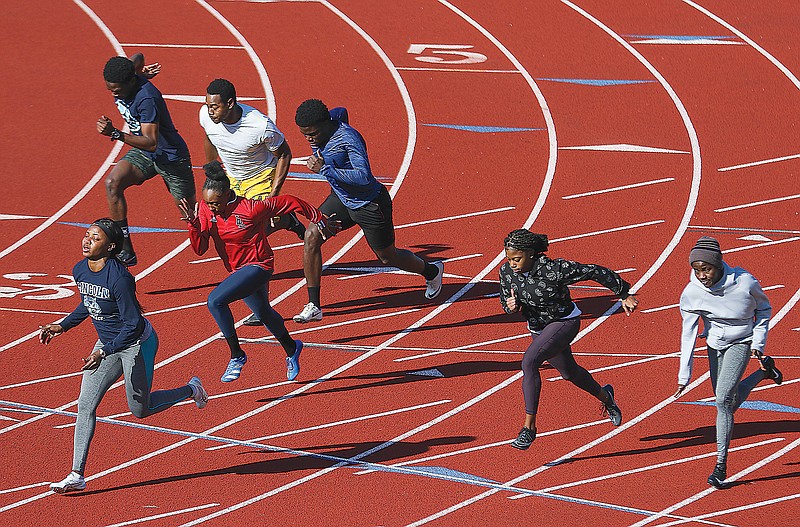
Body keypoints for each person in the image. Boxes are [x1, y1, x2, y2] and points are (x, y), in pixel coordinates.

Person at [40, 219, 208, 494]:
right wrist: (62, 325)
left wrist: (103, 350)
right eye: (86, 235)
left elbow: (133, 325)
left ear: (111, 246)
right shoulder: (80, 269)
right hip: (106, 345)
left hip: (135, 345)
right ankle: (76, 474)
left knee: (140, 410)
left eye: (95, 238)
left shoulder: (119, 278)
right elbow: (88, 303)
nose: (87, 241)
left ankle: (191, 389)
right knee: (85, 406)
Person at [292, 99, 444, 323]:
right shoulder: (327, 122)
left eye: (313, 134)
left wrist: (326, 169)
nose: (309, 139)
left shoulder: (348, 139)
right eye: (305, 135)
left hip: (369, 204)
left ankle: (431, 272)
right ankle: (314, 305)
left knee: (387, 257)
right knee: (311, 235)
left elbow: (363, 177)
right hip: (341, 200)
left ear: (325, 124)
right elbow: (341, 110)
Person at [179, 162, 333, 382]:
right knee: (263, 313)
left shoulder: (250, 208)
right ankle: (292, 348)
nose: (211, 207)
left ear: (227, 195)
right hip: (238, 270)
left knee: (215, 301)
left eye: (215, 203)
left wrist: (317, 217)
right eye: (208, 203)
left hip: (260, 266)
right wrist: (194, 225)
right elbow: (200, 249)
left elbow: (289, 202)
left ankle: (236, 355)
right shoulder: (205, 209)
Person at [499, 229, 639, 450]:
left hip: (564, 321)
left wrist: (623, 293)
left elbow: (594, 271)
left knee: (529, 361)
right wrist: (510, 307)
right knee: (570, 373)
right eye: (509, 259)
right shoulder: (506, 272)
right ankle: (607, 398)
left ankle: (529, 428)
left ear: (531, 254)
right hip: (538, 328)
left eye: (517, 259)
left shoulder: (554, 270)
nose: (512, 264)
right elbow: (505, 301)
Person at [675, 236, 782, 488]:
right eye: (697, 270)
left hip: (742, 341)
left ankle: (720, 465)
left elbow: (764, 310)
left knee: (722, 400)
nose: (702, 275)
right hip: (714, 343)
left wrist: (758, 342)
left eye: (707, 269)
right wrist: (684, 376)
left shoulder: (745, 282)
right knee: (728, 402)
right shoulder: (691, 293)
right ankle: (764, 373)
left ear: (719, 263)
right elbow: (688, 334)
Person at [200, 78, 306, 325]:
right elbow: (209, 136)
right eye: (207, 105)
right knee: (227, 232)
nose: (209, 111)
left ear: (230, 103)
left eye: (214, 106)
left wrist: (274, 195)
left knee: (251, 236)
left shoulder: (259, 126)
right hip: (231, 178)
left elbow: (285, 154)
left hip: (261, 178)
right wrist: (212, 168)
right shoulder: (207, 116)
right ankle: (285, 220)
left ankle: (262, 308)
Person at [97, 55, 196, 267]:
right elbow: (138, 56)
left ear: (130, 82)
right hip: (144, 153)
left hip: (171, 157)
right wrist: (140, 71)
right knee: (112, 183)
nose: (114, 93)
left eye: (117, 90)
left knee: (192, 217)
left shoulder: (146, 99)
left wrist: (115, 133)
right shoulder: (126, 74)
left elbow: (151, 142)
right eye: (110, 89)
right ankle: (124, 247)